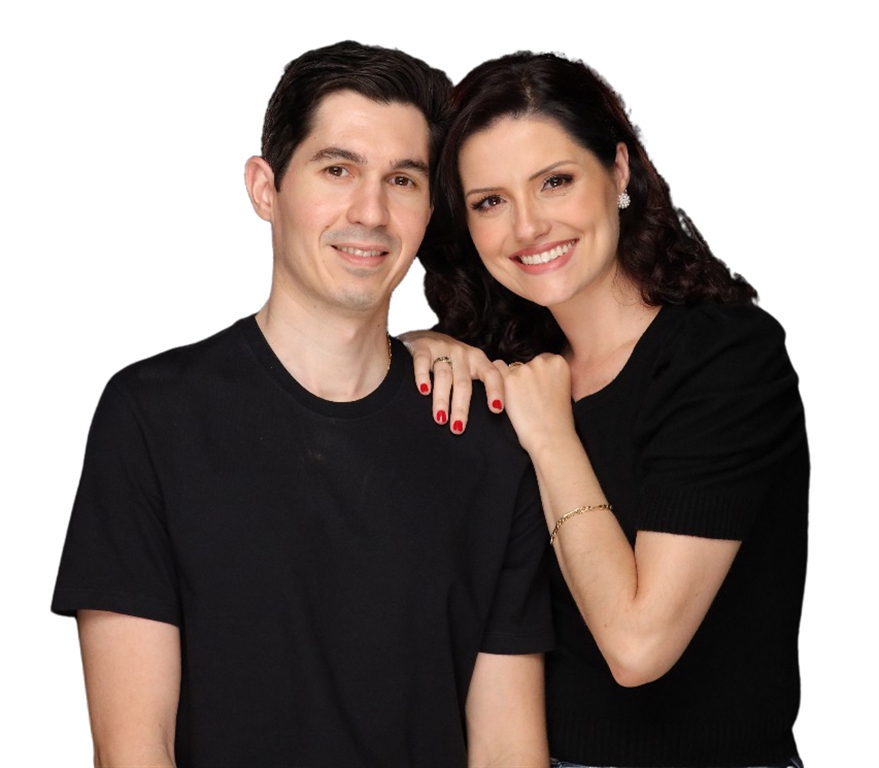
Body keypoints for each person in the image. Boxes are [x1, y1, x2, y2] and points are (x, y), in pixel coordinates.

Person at [50, 41, 554, 768]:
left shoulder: (483, 439)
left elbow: (507, 748)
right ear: (265, 188)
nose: (371, 212)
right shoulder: (153, 417)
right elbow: (134, 748)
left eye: (402, 180)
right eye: (337, 169)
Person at [405, 50, 809, 768]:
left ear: (619, 172)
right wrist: (419, 346)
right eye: (490, 201)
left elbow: (637, 646)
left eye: (554, 182)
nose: (528, 227)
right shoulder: (508, 358)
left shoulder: (725, 358)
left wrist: (551, 437)